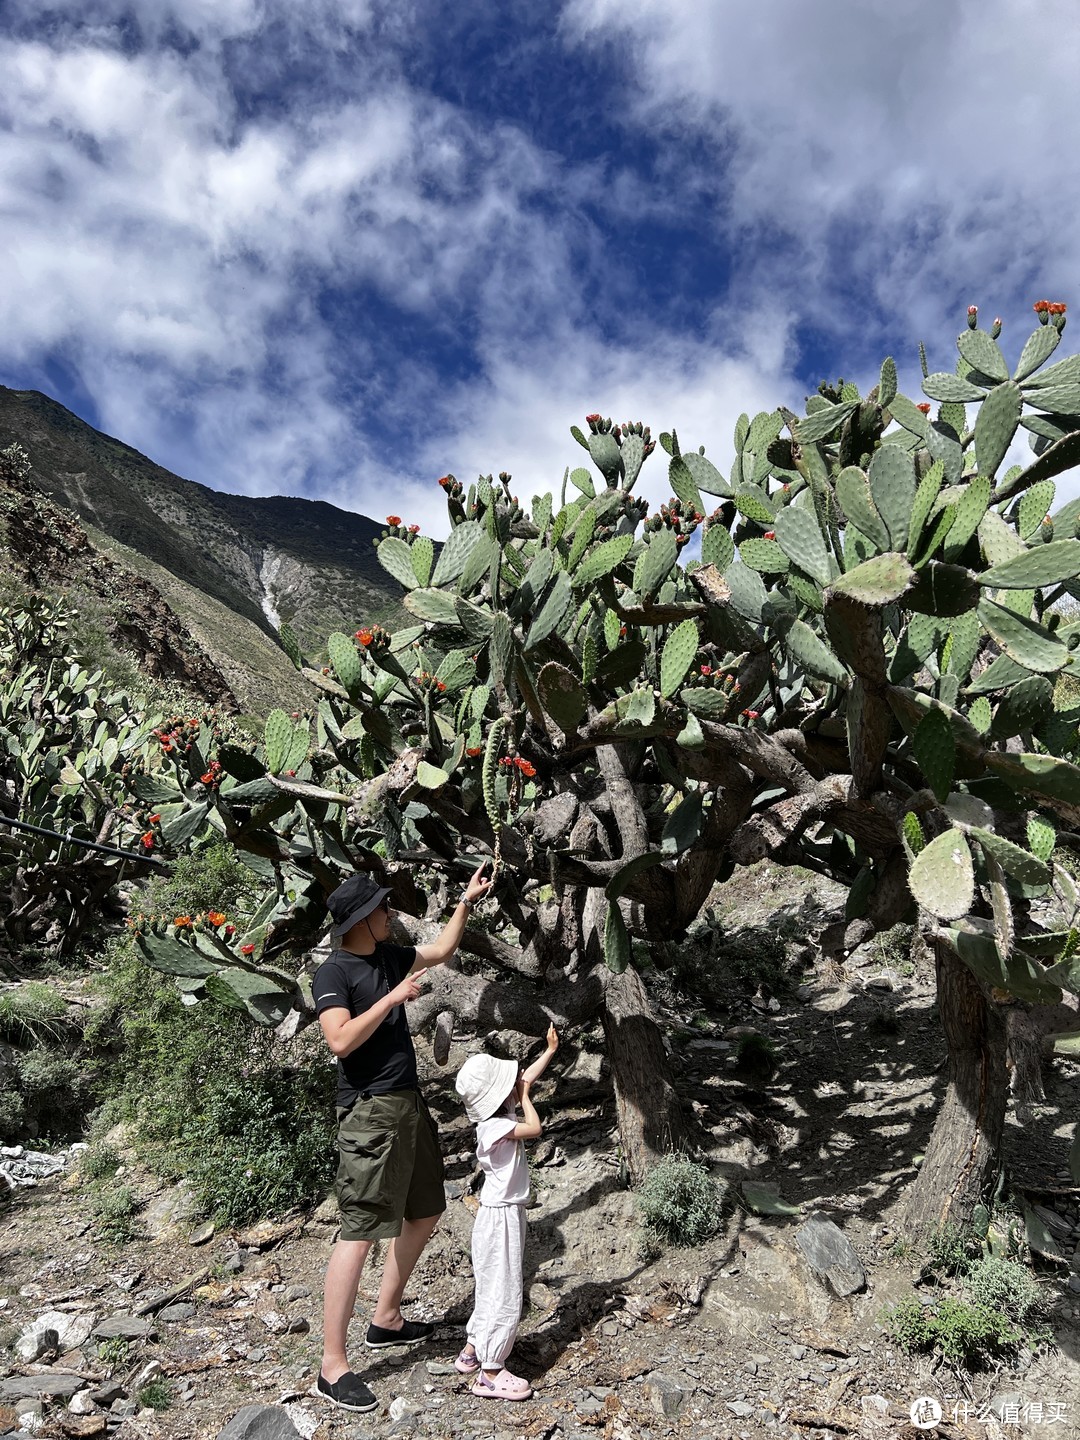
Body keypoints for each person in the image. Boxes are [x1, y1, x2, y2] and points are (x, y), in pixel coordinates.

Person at [312, 862, 493, 1414]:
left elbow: (439, 950)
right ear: (363, 920)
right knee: (359, 1231)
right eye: (383, 909)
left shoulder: (390, 956)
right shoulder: (333, 973)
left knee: (425, 1211)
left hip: (408, 1104)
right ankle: (332, 1366)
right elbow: (339, 1041)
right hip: (368, 1113)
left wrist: (465, 901)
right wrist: (391, 1001)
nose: (391, 914)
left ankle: (385, 1318)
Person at [452, 1023, 559, 1402]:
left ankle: (471, 1352)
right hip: (500, 1218)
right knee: (505, 1289)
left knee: (490, 1286)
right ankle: (491, 1372)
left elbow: (524, 1079)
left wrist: (548, 1051)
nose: (517, 1084)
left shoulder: (499, 1112)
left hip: (498, 1213)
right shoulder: (493, 1127)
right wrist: (527, 1097)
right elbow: (534, 1127)